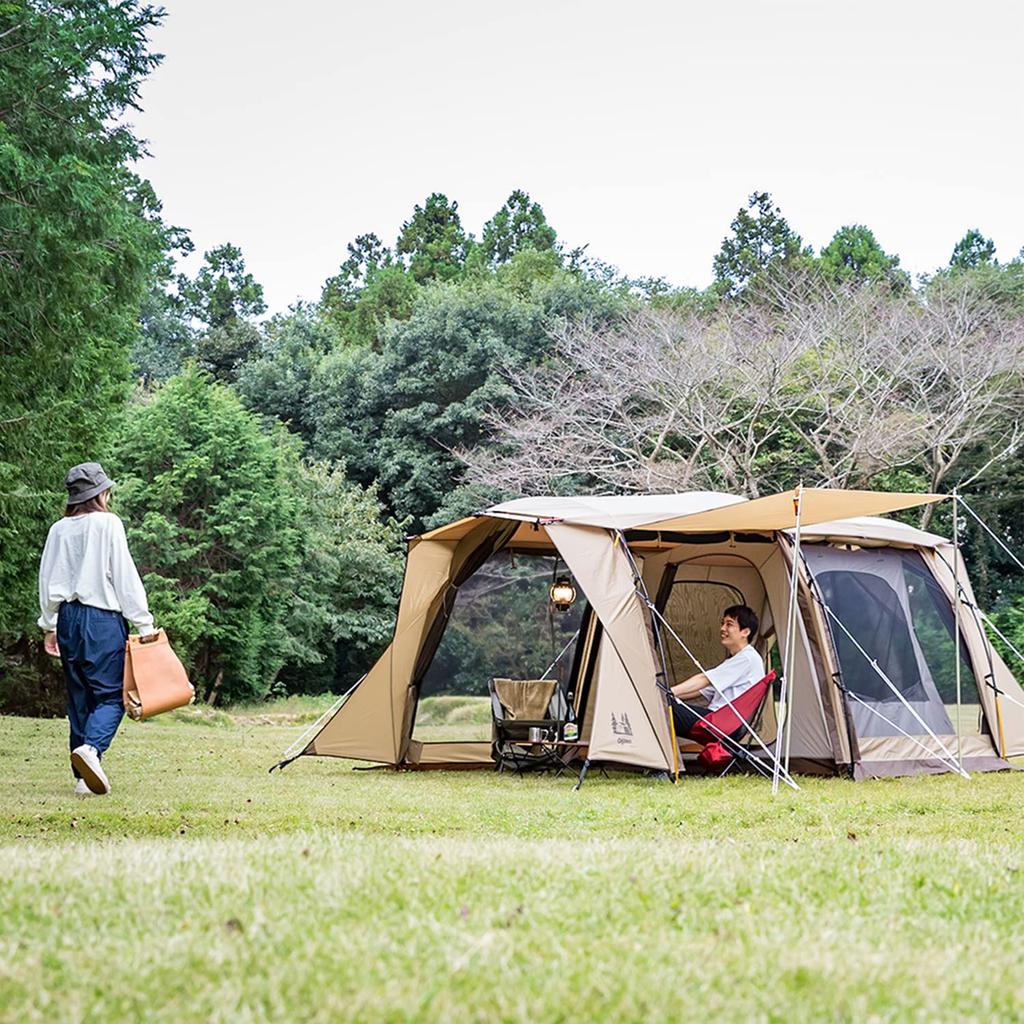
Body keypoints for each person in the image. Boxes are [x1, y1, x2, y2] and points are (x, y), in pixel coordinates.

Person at [38, 462, 156, 797]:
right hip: (101, 619)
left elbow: (47, 580)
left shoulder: (58, 529)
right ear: (101, 493)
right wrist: (144, 623)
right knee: (111, 696)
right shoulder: (108, 524)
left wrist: (49, 625)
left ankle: (81, 779)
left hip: (68, 619)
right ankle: (91, 750)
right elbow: (124, 576)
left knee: (79, 699)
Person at [668, 604, 764, 739]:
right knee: (665, 704)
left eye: (729, 624)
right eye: (722, 623)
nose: (722, 628)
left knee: (663, 708)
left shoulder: (747, 658)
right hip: (723, 724)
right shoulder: (739, 659)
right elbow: (702, 690)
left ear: (745, 632)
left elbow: (704, 679)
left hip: (721, 725)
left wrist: (666, 692)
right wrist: (670, 695)